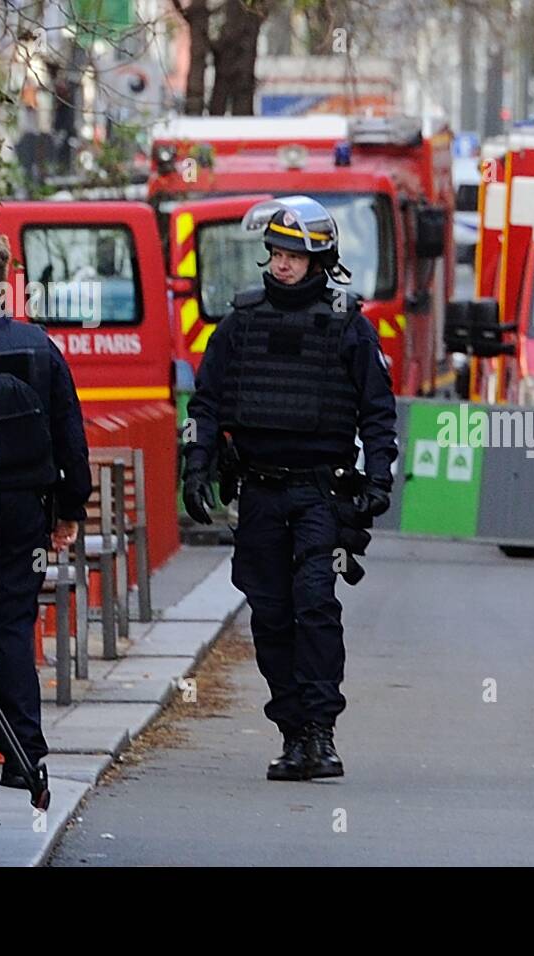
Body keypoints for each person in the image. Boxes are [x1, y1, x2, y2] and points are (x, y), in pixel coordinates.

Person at [181, 196, 398, 782]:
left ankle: (321, 733)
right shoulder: (240, 322)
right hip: (258, 494)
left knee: (316, 606)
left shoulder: (349, 325)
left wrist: (379, 478)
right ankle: (292, 730)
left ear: (319, 258)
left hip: (321, 495)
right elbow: (204, 403)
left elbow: (378, 412)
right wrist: (195, 466)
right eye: (275, 254)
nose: (281, 265)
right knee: (271, 615)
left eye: (293, 256)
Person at [0, 224, 91, 791]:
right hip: (24, 507)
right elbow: (72, 440)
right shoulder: (38, 346)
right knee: (15, 624)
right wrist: (69, 510)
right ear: (3, 282)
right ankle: (25, 753)